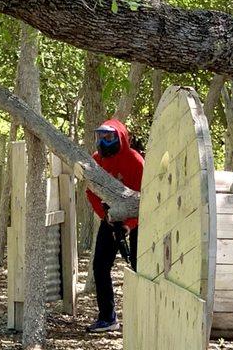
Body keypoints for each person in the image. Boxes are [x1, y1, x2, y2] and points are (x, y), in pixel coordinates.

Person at [85, 119, 144, 333]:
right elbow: (90, 192)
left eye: (108, 137)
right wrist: (106, 217)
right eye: (100, 136)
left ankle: (143, 316)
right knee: (100, 266)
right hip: (110, 219)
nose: (103, 141)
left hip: (138, 221)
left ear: (120, 137)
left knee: (140, 268)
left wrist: (129, 225)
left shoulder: (135, 161)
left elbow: (145, 200)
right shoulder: (95, 161)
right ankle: (107, 317)